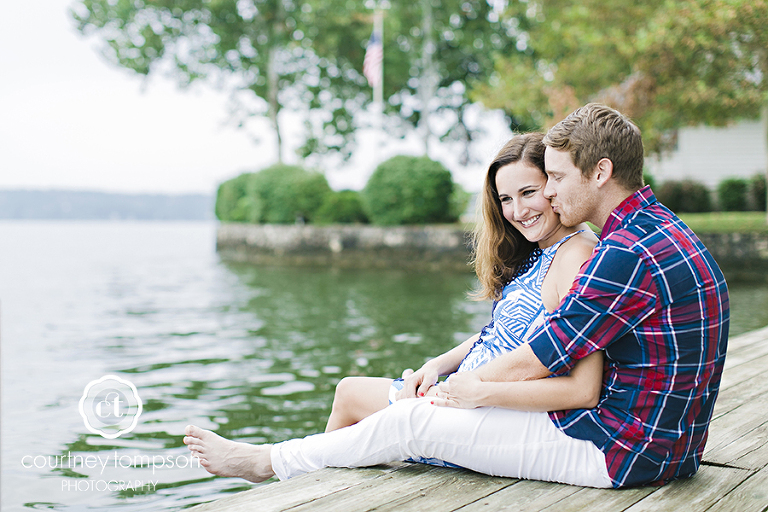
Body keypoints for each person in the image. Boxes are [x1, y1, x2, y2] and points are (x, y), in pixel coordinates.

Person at [184, 104, 729, 489]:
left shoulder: (621, 254)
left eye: (555, 178)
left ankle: (266, 464)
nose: (553, 193)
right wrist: (455, 376)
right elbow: (546, 345)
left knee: (406, 421)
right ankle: (303, 477)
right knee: (396, 411)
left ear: (601, 172)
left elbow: (547, 365)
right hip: (668, 447)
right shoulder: (665, 232)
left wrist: (468, 389)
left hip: (621, 453)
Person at [324, 132, 599, 433]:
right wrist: (435, 367)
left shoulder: (576, 254)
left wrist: (472, 390)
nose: (518, 212)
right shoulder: (541, 250)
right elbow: (500, 334)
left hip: (489, 413)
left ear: (554, 185)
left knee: (350, 394)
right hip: (464, 394)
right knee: (350, 397)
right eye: (506, 199)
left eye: (529, 192)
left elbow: (579, 382)